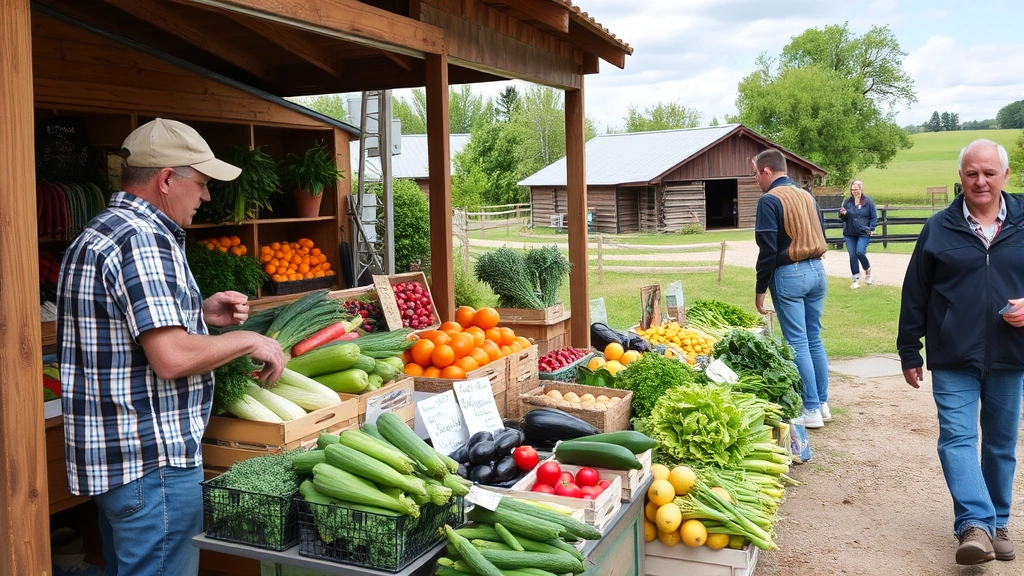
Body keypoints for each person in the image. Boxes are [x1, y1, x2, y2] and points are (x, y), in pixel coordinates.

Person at [57, 118, 288, 576]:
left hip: (120, 464)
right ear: (166, 180)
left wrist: (197, 314)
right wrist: (247, 339)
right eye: (200, 183)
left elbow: (124, 330)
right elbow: (173, 359)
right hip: (154, 463)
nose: (205, 196)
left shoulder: (102, 231)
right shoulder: (144, 239)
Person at [897, 139, 1024, 565]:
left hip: (1012, 353)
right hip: (953, 354)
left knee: (1002, 443)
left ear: (1005, 176)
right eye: (972, 173)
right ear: (961, 178)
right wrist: (909, 349)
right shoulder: (939, 227)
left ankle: (997, 523)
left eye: (989, 172)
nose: (981, 181)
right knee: (957, 439)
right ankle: (974, 525)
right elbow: (915, 291)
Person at [752, 149, 830, 429]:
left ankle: (809, 409)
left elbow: (768, 249)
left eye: (756, 173)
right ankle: (822, 403)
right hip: (818, 270)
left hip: (790, 273)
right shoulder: (807, 196)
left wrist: (760, 288)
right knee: (814, 339)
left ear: (767, 172)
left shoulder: (769, 200)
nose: (756, 179)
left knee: (797, 342)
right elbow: (822, 230)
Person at [838, 180, 878, 289]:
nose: (854, 191)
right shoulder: (847, 202)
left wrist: (871, 227)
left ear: (861, 189)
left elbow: (874, 216)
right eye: (852, 189)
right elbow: (843, 218)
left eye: (856, 189)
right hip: (850, 233)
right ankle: (855, 279)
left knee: (860, 252)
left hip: (864, 232)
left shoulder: (868, 201)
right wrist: (842, 214)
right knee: (852, 255)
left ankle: (868, 273)